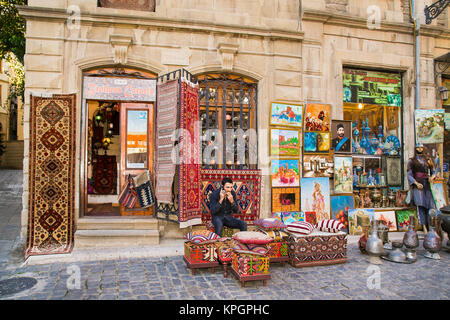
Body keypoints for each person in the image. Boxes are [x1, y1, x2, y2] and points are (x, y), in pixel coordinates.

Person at [407, 143, 436, 232]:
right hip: (418, 184)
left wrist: (432, 177)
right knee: (420, 205)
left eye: (421, 147)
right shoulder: (412, 161)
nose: (420, 149)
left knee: (429, 205)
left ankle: (429, 226)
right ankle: (423, 226)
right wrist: (415, 183)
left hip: (427, 184)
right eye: (418, 147)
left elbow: (433, 171)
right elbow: (409, 174)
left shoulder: (427, 159)